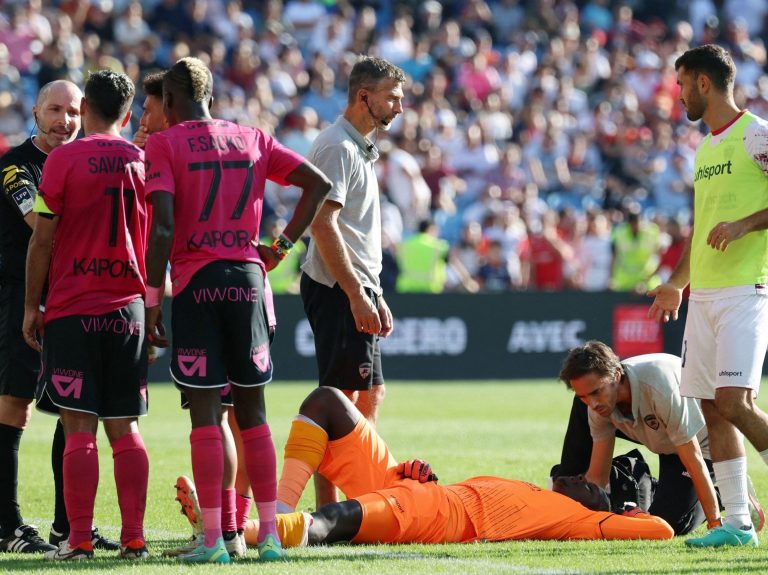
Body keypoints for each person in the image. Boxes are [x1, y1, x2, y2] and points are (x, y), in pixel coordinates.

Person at [143, 57, 331, 564]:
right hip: (248, 279)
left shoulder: (164, 143)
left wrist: (153, 298)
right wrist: (282, 246)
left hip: (197, 281)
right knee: (253, 413)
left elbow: (161, 227)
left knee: (206, 413)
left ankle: (213, 543)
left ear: (171, 102)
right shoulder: (251, 137)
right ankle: (268, 537)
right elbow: (318, 185)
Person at [244, 387, 674, 547]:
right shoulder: (542, 493)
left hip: (431, 516)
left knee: (334, 519)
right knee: (326, 401)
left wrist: (627, 513)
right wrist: (420, 474)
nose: (581, 477)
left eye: (590, 487)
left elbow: (661, 530)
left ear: (598, 509)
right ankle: (279, 510)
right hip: (416, 491)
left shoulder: (580, 520)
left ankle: (241, 531)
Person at [22, 70, 150, 561]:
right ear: (127, 112)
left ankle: (78, 540)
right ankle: (134, 539)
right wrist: (154, 305)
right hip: (128, 311)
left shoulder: (61, 161)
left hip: (74, 308)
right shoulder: (143, 161)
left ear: (87, 107)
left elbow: (42, 237)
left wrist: (33, 306)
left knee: (80, 427)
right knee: (125, 426)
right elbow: (158, 238)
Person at [648, 43, 768, 548]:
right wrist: (677, 283)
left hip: (747, 289)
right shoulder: (704, 148)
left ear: (703, 82)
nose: (676, 95)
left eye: (680, 84)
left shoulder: (755, 134)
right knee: (712, 410)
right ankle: (738, 525)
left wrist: (744, 225)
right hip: (706, 299)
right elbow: (699, 232)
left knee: (734, 402)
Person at [0, 80, 117, 554]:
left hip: (72, 298)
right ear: (35, 110)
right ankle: (7, 527)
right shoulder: (14, 165)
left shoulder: (84, 159)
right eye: (54, 110)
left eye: (72, 112)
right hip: (17, 297)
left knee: (75, 410)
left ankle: (68, 528)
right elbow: (39, 224)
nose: (63, 121)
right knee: (14, 405)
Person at [300, 55, 404, 508]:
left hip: (356, 286)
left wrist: (372, 292)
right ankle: (329, 512)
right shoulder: (337, 148)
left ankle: (355, 500)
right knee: (339, 400)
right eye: (392, 98)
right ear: (365, 96)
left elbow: (353, 234)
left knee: (370, 394)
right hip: (337, 289)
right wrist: (357, 293)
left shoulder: (358, 146)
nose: (399, 107)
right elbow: (323, 227)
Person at [554, 341, 731, 536]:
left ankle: (722, 496)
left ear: (616, 375)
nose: (592, 403)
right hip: (658, 435)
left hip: (703, 439)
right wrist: (581, 516)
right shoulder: (596, 403)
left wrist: (715, 523)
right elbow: (598, 478)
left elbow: (694, 459)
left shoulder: (660, 387)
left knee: (669, 523)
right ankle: (634, 479)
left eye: (596, 392)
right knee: (582, 410)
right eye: (584, 396)